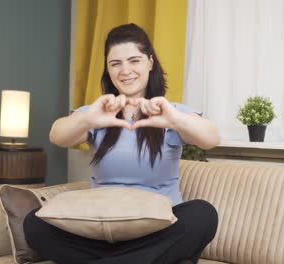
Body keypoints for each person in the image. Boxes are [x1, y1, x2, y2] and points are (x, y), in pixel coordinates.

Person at [24, 23, 220, 264]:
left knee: (203, 215)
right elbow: (57, 135)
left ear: (150, 62)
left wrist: (175, 120)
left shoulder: (171, 113)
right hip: (101, 230)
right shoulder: (97, 113)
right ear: (108, 69)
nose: (125, 70)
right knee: (34, 222)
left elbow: (211, 138)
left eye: (134, 60)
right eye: (115, 63)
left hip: (157, 229)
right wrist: (88, 119)